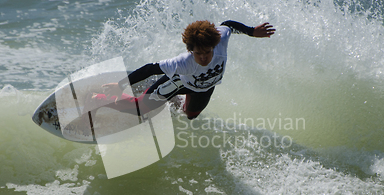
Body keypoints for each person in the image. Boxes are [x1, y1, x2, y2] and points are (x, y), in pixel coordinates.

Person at [90, 20, 275, 120]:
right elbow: (150, 68)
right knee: (140, 109)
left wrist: (251, 31)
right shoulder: (182, 63)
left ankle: (168, 101)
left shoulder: (220, 41)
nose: (203, 58)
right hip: (178, 83)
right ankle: (97, 100)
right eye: (198, 53)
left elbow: (228, 25)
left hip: (203, 88)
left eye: (207, 52)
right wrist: (121, 84)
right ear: (190, 50)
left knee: (191, 116)